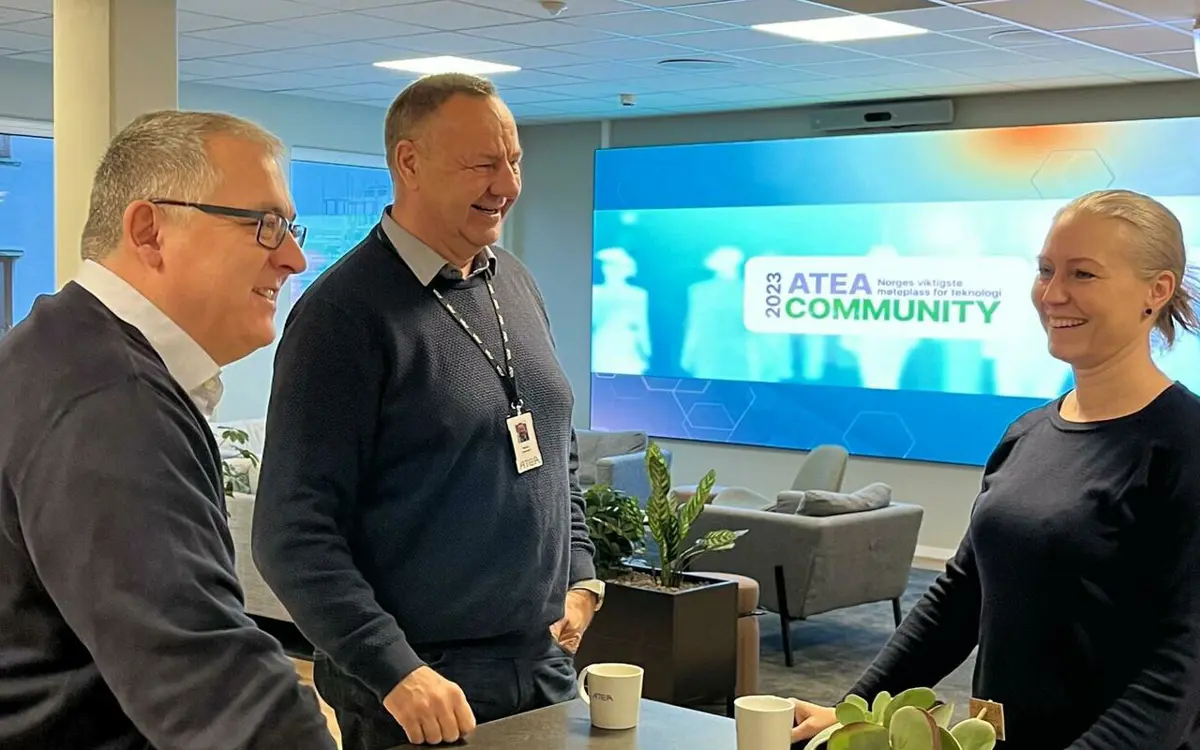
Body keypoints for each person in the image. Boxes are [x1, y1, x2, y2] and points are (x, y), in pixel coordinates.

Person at [251, 72, 603, 749]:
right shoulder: (342, 316)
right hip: (421, 689)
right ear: (408, 164)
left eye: (514, 161)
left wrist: (581, 577)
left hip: (544, 665)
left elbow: (554, 448)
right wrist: (394, 670)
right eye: (483, 164)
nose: (506, 184)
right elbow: (292, 533)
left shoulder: (516, 284)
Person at [791, 189, 1200, 749]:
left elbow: (1180, 669)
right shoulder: (1028, 432)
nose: (1053, 294)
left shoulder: (1185, 445)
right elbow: (962, 596)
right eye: (1046, 270)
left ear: (1156, 290)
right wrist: (851, 712)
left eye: (1083, 275)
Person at [0, 111, 336, 749]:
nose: (293, 257)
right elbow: (216, 688)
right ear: (150, 230)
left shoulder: (58, 346)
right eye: (264, 225)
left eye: (291, 227)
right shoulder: (108, 403)